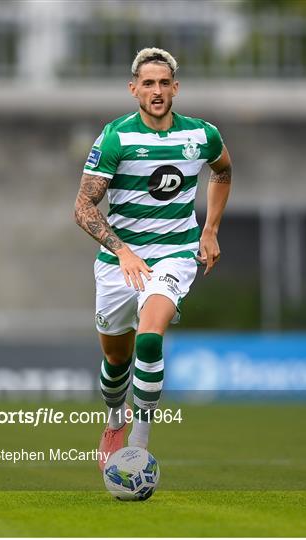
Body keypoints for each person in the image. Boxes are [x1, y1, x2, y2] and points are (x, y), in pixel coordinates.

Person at [74, 47, 232, 470]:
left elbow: (222, 170)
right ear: (133, 89)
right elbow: (83, 207)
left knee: (149, 337)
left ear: (176, 88)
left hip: (175, 255)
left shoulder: (202, 135)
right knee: (115, 360)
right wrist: (122, 251)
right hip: (119, 262)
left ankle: (139, 448)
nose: (157, 91)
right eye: (148, 83)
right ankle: (114, 419)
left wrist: (211, 228)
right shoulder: (116, 137)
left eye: (164, 83)